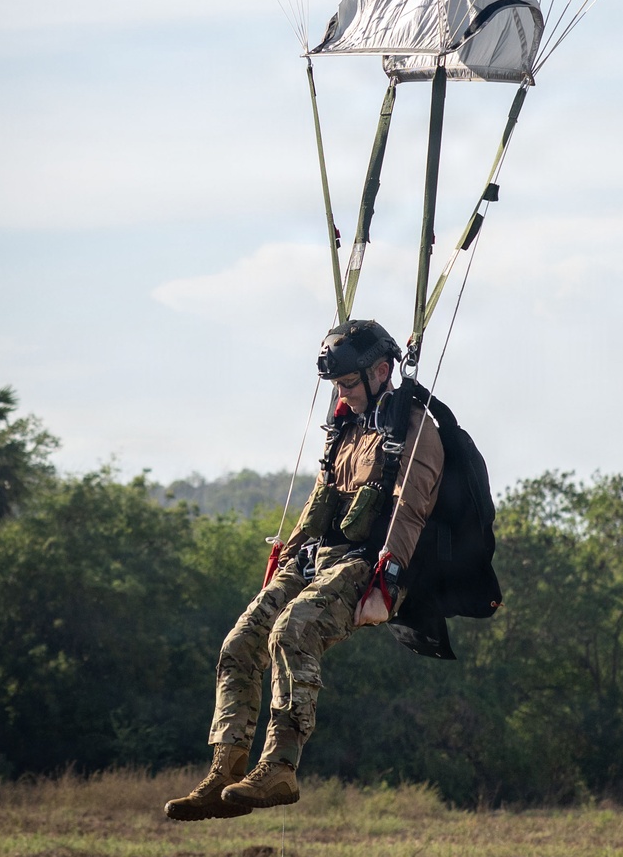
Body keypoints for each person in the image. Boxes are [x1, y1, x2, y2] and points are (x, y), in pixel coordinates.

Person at [164, 319, 444, 820]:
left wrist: (390, 572)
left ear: (382, 371)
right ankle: (226, 769)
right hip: (315, 559)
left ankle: (279, 766)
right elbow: (321, 499)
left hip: (366, 566)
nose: (343, 393)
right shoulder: (344, 428)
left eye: (349, 383)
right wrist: (287, 558)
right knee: (240, 643)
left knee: (292, 632)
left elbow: (412, 508)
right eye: (337, 385)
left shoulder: (413, 430)